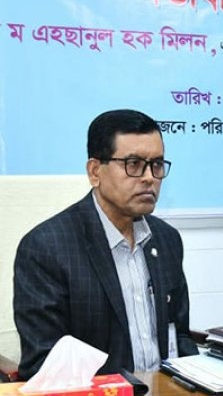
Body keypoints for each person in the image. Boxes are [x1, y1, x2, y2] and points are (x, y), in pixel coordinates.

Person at [13, 109, 197, 379]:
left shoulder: (167, 239)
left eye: (156, 164)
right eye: (133, 164)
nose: (149, 177)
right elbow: (45, 362)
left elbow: (178, 336)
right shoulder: (46, 248)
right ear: (95, 171)